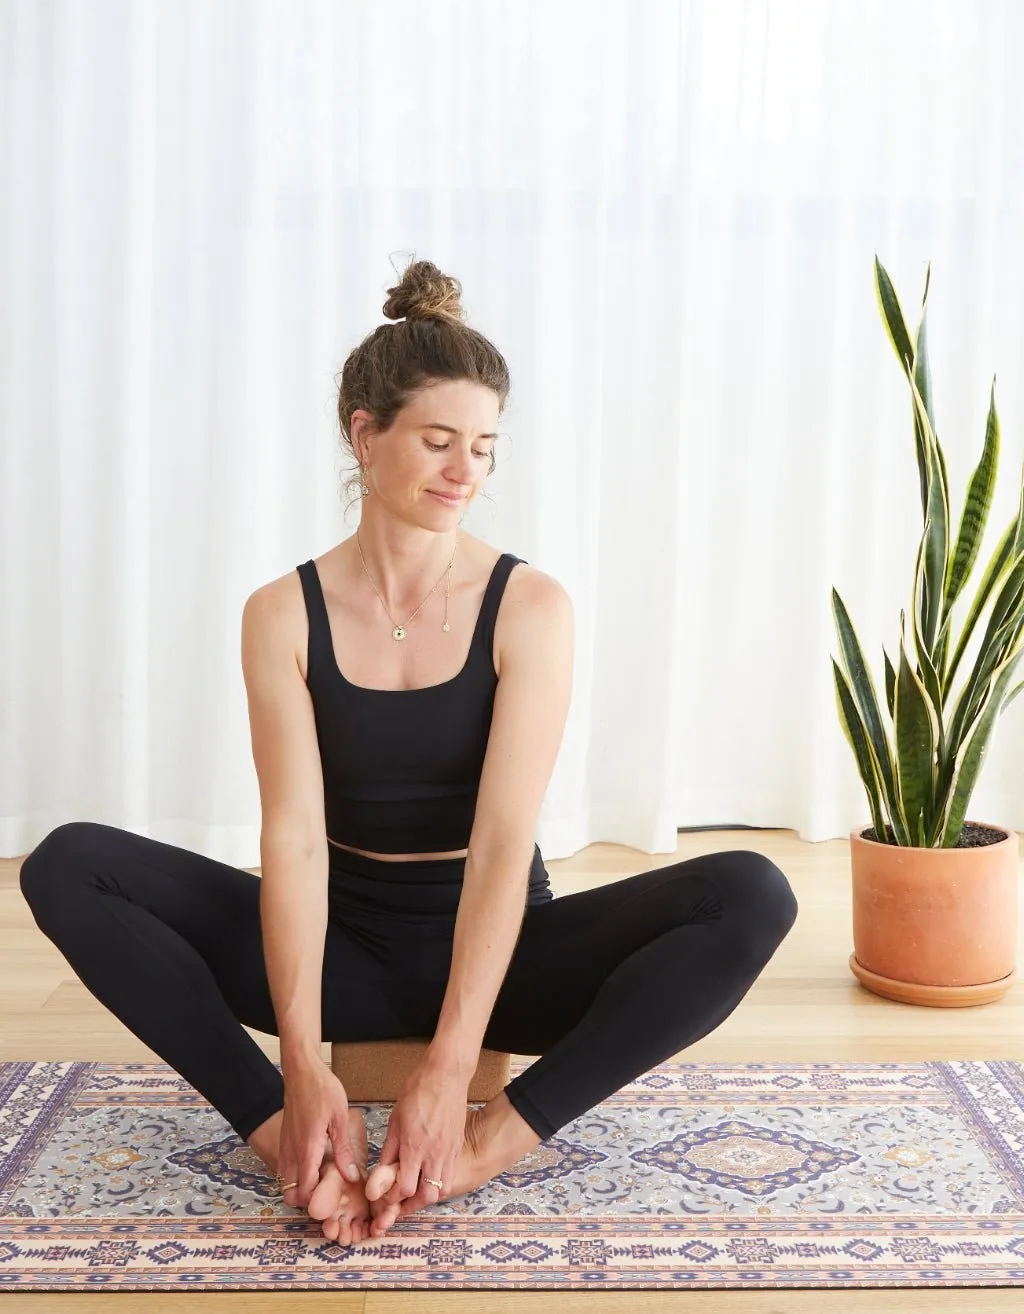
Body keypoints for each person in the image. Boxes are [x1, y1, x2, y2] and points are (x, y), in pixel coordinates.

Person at [19, 257, 798, 1248]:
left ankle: (491, 1148)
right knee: (70, 866)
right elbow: (293, 841)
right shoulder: (281, 614)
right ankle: (288, 1141)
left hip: (504, 950)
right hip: (342, 946)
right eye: (438, 441)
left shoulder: (530, 607)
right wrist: (301, 1067)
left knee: (753, 894)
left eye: (482, 447)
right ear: (364, 433)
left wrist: (451, 1073)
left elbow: (504, 839)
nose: (464, 469)